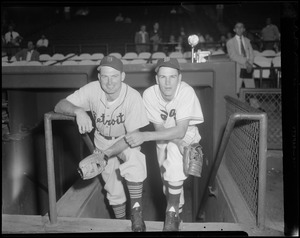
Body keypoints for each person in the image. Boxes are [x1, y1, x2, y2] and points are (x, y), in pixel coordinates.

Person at [54, 56, 149, 232]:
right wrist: (78, 110)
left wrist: (104, 155)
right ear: (99, 77)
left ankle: (137, 213)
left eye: (114, 76)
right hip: (102, 140)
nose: (109, 81)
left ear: (122, 76)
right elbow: (59, 105)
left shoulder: (133, 97)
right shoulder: (92, 90)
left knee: (135, 159)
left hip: (126, 140)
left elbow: (133, 136)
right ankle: (121, 222)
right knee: (113, 189)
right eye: (105, 76)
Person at [125, 58, 204, 231]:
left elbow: (181, 130)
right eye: (163, 77)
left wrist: (145, 136)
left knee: (174, 156)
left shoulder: (186, 92)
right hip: (162, 137)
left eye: (172, 77)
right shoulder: (149, 94)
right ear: (156, 79)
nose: (167, 82)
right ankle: (177, 216)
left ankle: (171, 214)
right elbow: (160, 127)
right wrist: (175, 141)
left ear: (180, 78)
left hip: (187, 136)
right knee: (168, 184)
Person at [226, 22, 255, 96]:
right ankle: (235, 107)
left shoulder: (248, 41)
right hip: (236, 67)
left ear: (244, 29)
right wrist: (246, 62)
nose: (239, 28)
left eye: (241, 27)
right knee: (236, 89)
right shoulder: (230, 42)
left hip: (248, 67)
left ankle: (255, 106)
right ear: (234, 30)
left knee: (251, 88)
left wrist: (250, 64)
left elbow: (251, 54)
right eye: (237, 27)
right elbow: (233, 55)